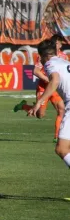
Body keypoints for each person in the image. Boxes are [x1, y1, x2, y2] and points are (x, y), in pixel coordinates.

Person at [14, 36, 66, 142]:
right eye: (55, 43)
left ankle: (57, 137)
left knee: (61, 110)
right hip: (43, 86)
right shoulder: (43, 57)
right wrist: (48, 79)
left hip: (55, 88)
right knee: (40, 115)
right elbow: (36, 71)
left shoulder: (64, 57)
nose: (57, 45)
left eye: (58, 43)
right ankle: (23, 106)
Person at [28, 40, 70, 169]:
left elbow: (55, 80)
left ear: (42, 56)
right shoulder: (65, 62)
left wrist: (39, 102)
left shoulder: (49, 63)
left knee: (62, 149)